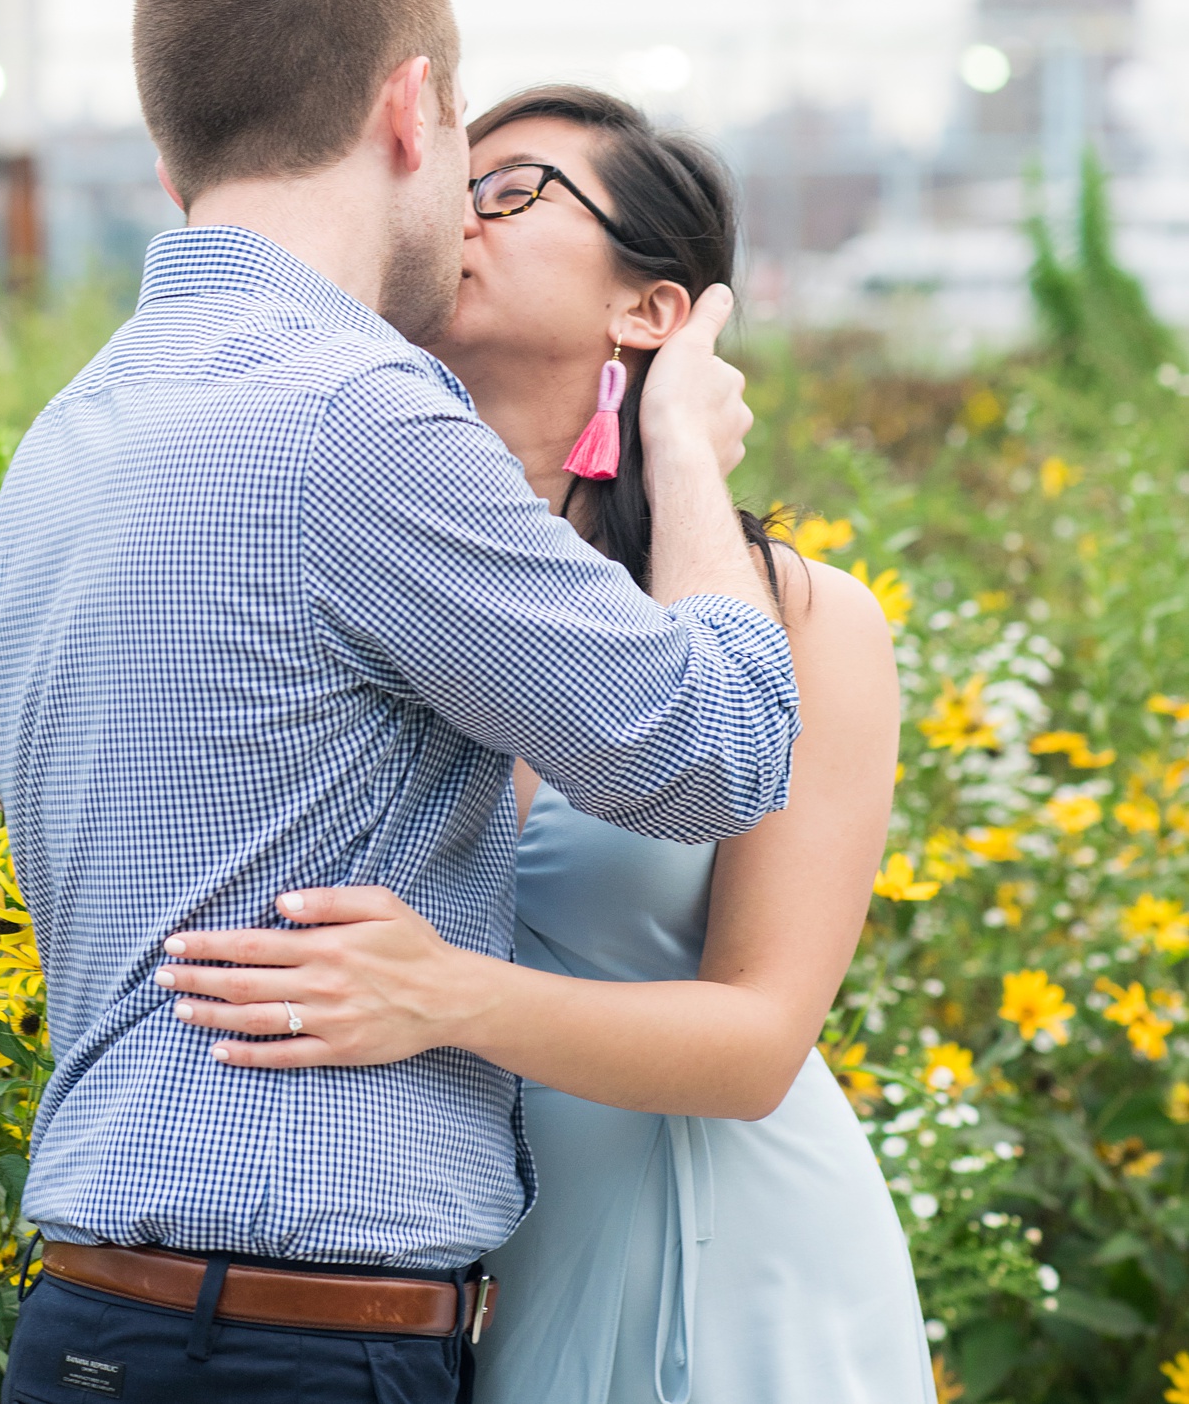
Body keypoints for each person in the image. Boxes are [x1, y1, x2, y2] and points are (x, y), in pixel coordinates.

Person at [0, 0, 800, 1404]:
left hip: (102, 1321)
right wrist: (683, 445)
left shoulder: (71, 435)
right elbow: (713, 753)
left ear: (173, 155)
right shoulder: (355, 415)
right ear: (410, 108)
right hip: (280, 1341)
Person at [161, 86, 935, 1403]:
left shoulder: (807, 624)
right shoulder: (362, 571)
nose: (460, 211)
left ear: (652, 309)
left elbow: (759, 1043)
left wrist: (441, 993)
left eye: (514, 191)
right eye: (457, 179)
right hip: (459, 1266)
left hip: (723, 1257)